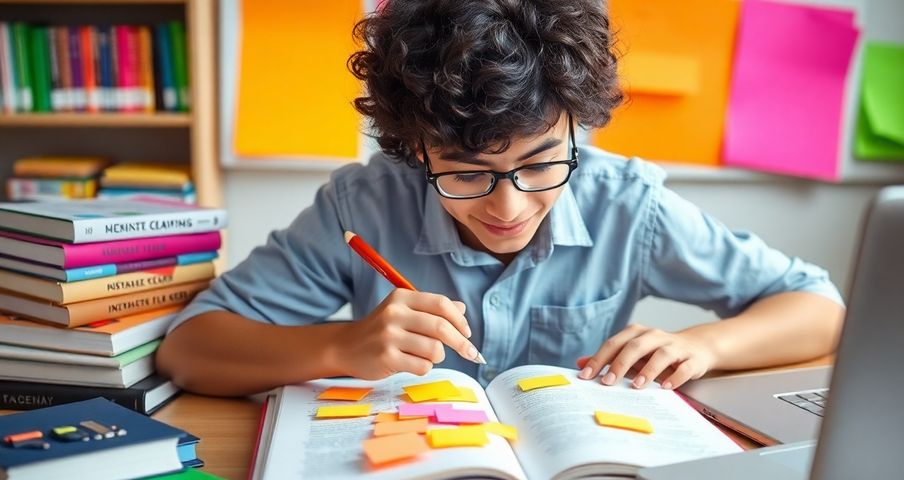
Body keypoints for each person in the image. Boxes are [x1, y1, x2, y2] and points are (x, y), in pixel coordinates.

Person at [156, 0, 845, 396]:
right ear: (412, 148)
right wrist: (343, 346)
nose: (508, 209)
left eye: (542, 164)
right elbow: (190, 349)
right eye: (464, 172)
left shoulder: (627, 204)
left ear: (580, 128)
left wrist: (706, 345)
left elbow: (820, 309)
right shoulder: (363, 204)